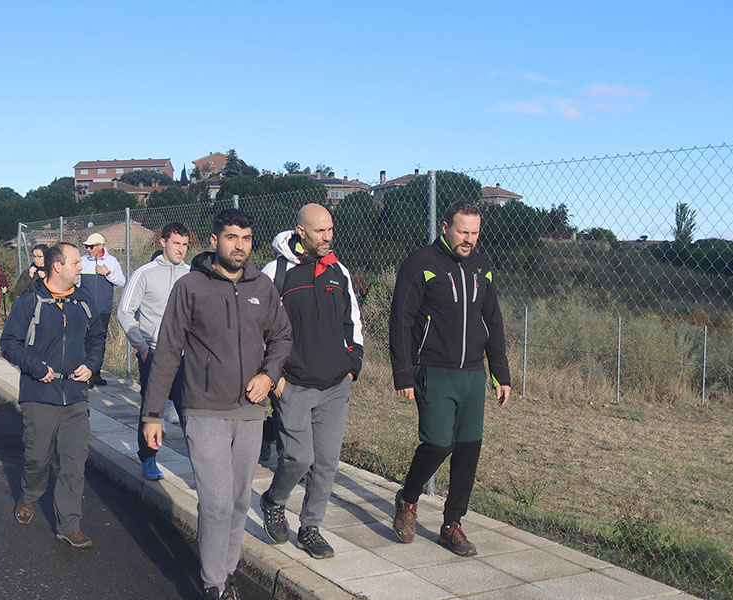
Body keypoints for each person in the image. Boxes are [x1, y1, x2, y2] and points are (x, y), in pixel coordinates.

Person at [141, 209, 292, 598]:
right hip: (203, 407)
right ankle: (213, 584)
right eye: (231, 237)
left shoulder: (263, 286)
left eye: (245, 238)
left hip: (249, 409)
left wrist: (269, 375)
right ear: (214, 241)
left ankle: (227, 570)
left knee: (241, 498)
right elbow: (168, 352)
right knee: (217, 501)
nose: (239, 245)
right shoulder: (191, 287)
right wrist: (153, 414)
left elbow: (282, 338)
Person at [389, 200, 511, 557]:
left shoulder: (482, 268)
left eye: (474, 233)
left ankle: (451, 524)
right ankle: (407, 500)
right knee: (439, 443)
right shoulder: (421, 264)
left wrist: (500, 374)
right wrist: (403, 373)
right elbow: (400, 320)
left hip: (473, 373)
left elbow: (494, 321)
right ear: (445, 227)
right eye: (462, 232)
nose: (469, 240)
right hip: (433, 370)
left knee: (469, 449)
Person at [258, 204, 364, 560]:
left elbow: (353, 323)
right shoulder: (277, 272)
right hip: (294, 384)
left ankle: (310, 528)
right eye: (320, 231)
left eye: (331, 229)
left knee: (327, 462)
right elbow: (258, 328)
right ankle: (274, 500)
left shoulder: (339, 271)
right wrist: (275, 378)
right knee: (299, 458)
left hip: (335, 385)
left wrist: (353, 366)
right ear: (301, 231)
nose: (328, 236)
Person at [1, 241, 106, 550]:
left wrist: (91, 364)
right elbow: (9, 343)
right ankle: (29, 495)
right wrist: (35, 367)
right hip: (39, 393)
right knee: (37, 457)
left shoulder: (83, 300)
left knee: (74, 462)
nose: (80, 267)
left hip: (75, 394)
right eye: (75, 262)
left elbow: (97, 338)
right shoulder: (29, 302)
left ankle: (69, 524)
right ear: (57, 266)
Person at [116, 222, 191, 481]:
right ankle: (148, 458)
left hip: (185, 356)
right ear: (163, 242)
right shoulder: (144, 273)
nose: (180, 249)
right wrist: (142, 347)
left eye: (184, 244)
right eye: (176, 243)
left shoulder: (191, 275)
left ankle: (200, 460)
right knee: (152, 408)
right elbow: (124, 312)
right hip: (155, 354)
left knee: (190, 409)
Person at [79, 232, 125, 386]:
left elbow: (121, 281)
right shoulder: (82, 261)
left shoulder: (111, 262)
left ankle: (96, 373)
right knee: (86, 340)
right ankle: (87, 375)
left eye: (91, 246)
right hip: (85, 309)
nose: (88, 249)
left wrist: (107, 274)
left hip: (104, 309)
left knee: (100, 341)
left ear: (101, 246)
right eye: (87, 246)